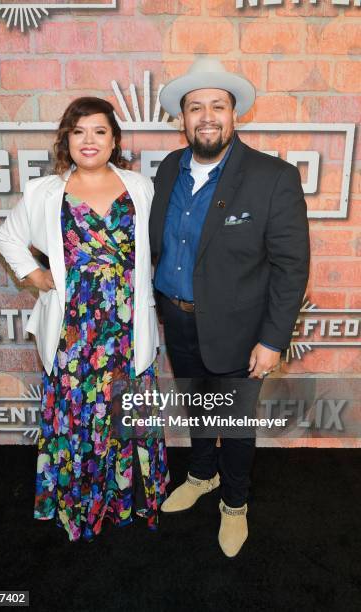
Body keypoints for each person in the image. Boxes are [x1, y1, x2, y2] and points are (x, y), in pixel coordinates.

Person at [149, 57, 310, 557]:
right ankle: (201, 474)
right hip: (176, 317)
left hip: (241, 330)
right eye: (195, 107)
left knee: (236, 424)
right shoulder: (170, 167)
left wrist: (272, 339)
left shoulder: (273, 177)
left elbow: (290, 266)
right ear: (183, 118)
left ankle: (235, 504)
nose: (206, 116)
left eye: (217, 105)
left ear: (234, 114)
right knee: (198, 403)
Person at [0, 97, 169, 542]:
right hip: (74, 327)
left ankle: (130, 500)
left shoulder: (141, 187)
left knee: (128, 410)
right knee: (77, 413)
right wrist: (35, 275)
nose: (88, 140)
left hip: (129, 323)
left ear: (114, 140)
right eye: (78, 132)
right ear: (66, 140)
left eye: (99, 131)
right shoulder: (45, 190)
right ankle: (80, 501)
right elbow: (8, 237)